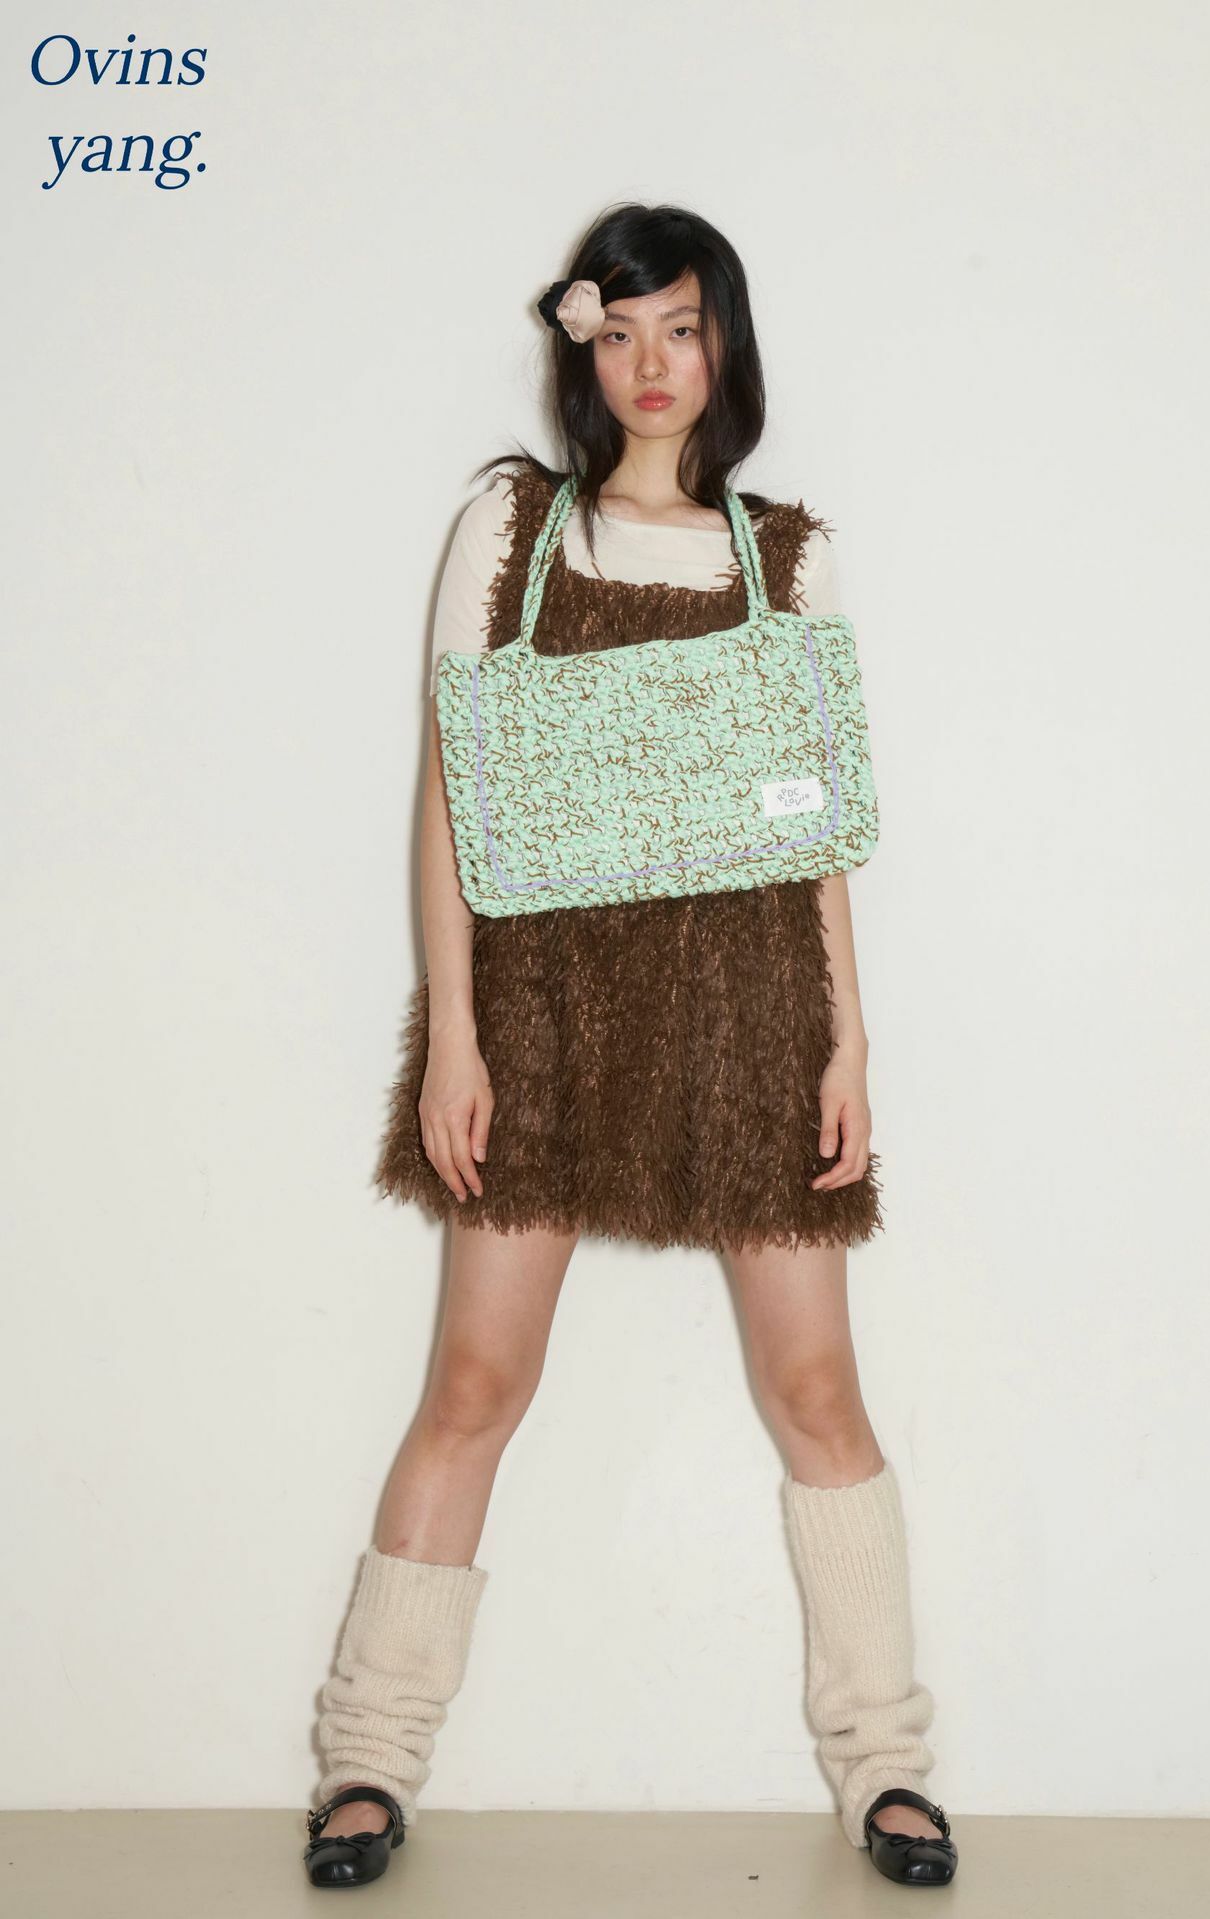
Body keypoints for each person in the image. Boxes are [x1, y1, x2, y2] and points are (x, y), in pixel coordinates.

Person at [302, 201, 956, 1891]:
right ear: (581, 349)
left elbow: (813, 822)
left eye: (682, 327)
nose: (651, 363)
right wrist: (454, 1036)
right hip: (541, 1010)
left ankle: (886, 1766)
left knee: (819, 1392)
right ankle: (369, 1757)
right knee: (475, 1384)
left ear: (723, 344)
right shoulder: (511, 526)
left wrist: (849, 1043)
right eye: (620, 331)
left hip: (752, 1007)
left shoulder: (787, 556)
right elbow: (450, 792)